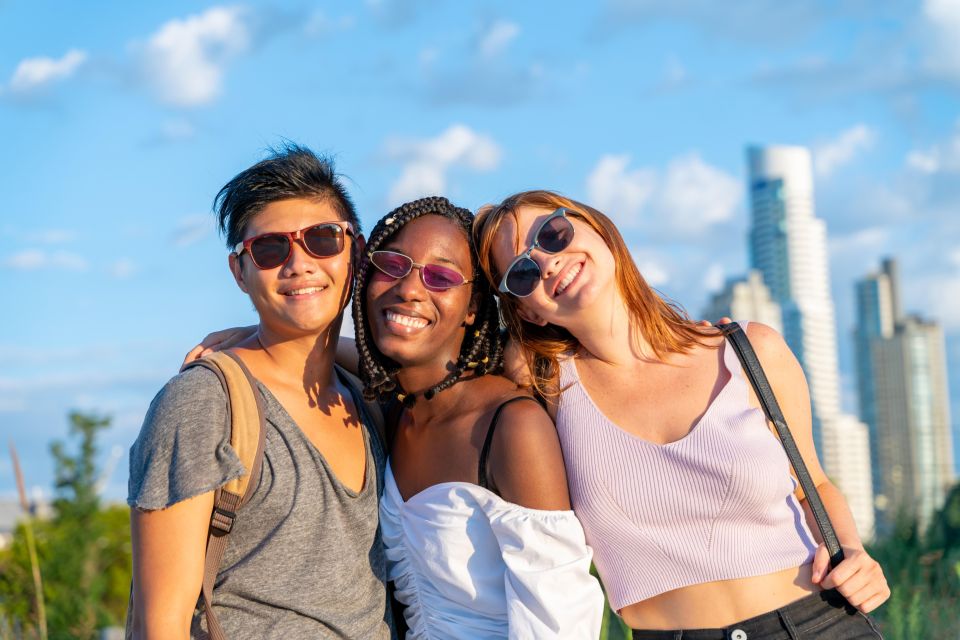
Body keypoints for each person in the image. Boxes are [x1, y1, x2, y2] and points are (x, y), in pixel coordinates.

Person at [472, 190, 889, 639]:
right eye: (522, 272)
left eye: (552, 234)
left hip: (819, 622)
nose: (548, 262)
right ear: (526, 311)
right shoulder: (542, 391)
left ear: (598, 228)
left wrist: (853, 551)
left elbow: (815, 485)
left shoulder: (750, 351)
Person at [127, 145, 392, 639]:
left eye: (322, 239)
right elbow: (159, 624)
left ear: (355, 254)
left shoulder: (370, 398)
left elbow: (467, 369)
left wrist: (334, 348)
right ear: (240, 273)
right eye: (270, 250)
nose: (299, 263)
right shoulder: (204, 403)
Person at [353, 196, 604, 639]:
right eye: (392, 264)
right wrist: (263, 341)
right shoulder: (394, 412)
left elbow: (561, 625)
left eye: (442, 276)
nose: (409, 289)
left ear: (473, 307)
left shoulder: (510, 426)